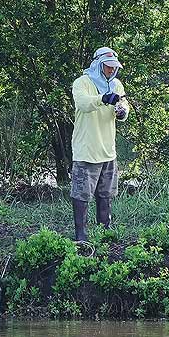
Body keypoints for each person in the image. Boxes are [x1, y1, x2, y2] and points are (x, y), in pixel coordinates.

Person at [70, 46, 131, 243]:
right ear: (98, 65)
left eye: (114, 67)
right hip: (87, 150)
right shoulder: (82, 83)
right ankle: (81, 236)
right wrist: (103, 98)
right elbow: (83, 104)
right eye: (108, 67)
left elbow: (123, 106)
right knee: (82, 195)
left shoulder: (117, 85)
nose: (111, 71)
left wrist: (122, 112)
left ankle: (105, 232)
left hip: (108, 151)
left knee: (106, 194)